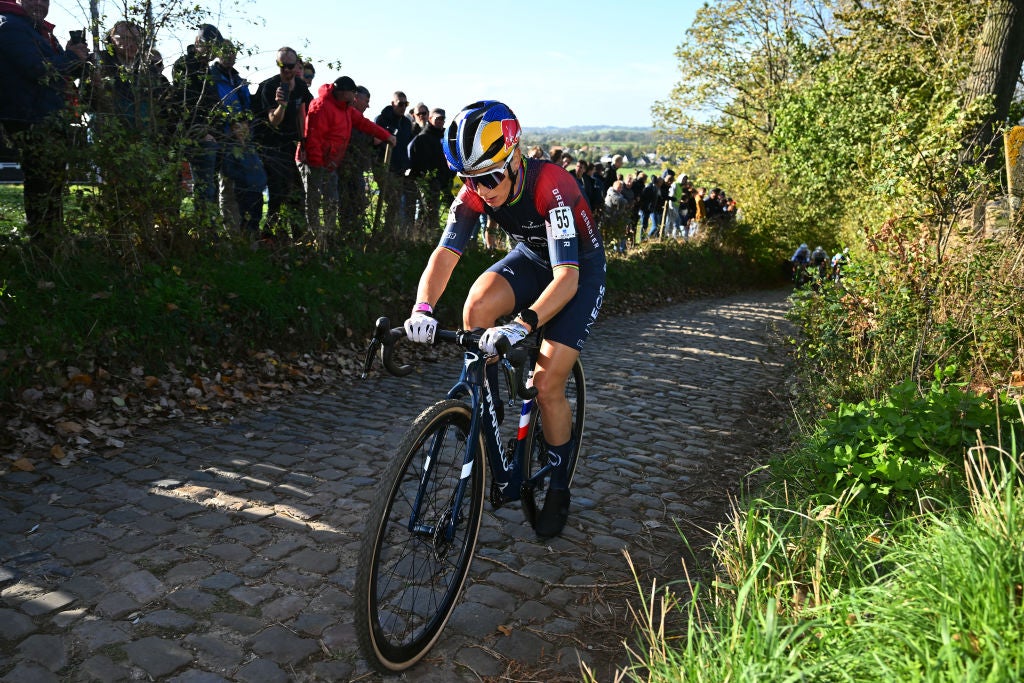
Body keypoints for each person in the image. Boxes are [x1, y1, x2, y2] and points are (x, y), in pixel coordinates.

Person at [402, 101, 606, 539]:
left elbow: (567, 279)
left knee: (547, 384)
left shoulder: (551, 185)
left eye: (490, 177)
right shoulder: (475, 190)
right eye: (469, 179)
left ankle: (558, 483)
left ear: (514, 158)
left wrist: (520, 326)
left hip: (577, 272)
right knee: (476, 308)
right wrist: (422, 307)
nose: (481, 189)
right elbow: (444, 255)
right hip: (531, 259)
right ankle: (488, 419)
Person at [0, 0, 90, 246]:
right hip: (29, 118)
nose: (39, 3)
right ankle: (43, 244)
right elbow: (38, 70)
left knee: (53, 181)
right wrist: (70, 57)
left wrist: (76, 57)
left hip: (49, 116)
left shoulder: (39, 30)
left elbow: (60, 72)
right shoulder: (10, 26)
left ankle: (53, 236)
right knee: (42, 182)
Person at [300, 75, 396, 245]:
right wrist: (317, 166)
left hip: (330, 164)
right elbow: (313, 139)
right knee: (313, 199)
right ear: (344, 93)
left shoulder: (345, 109)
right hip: (314, 162)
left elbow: (364, 123)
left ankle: (328, 238)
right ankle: (315, 238)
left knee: (331, 201)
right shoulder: (321, 106)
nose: (355, 97)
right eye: (353, 93)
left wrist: (386, 135)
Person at [253, 47, 311, 241]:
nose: (286, 69)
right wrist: (282, 105)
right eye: (281, 65)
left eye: (290, 66)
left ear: (296, 66)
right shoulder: (269, 87)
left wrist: (303, 142)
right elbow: (274, 121)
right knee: (278, 191)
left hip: (290, 144)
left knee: (297, 192)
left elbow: (304, 113)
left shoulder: (301, 86)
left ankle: (298, 236)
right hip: (269, 145)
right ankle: (268, 235)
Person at [407, 107, 453, 233]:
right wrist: (426, 177)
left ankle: (442, 235)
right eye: (437, 118)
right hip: (428, 181)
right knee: (428, 210)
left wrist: (449, 175)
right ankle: (426, 235)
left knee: (454, 208)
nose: (440, 121)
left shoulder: (447, 137)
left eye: (442, 119)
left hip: (445, 179)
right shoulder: (422, 137)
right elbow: (415, 159)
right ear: (430, 118)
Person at [374, 91, 414, 228]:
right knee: (392, 199)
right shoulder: (382, 119)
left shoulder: (407, 123)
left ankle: (391, 231)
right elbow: (375, 142)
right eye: (400, 104)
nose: (403, 107)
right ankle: (384, 230)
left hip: (400, 168)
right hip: (384, 165)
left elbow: (407, 145)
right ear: (393, 104)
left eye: (406, 104)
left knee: (398, 202)